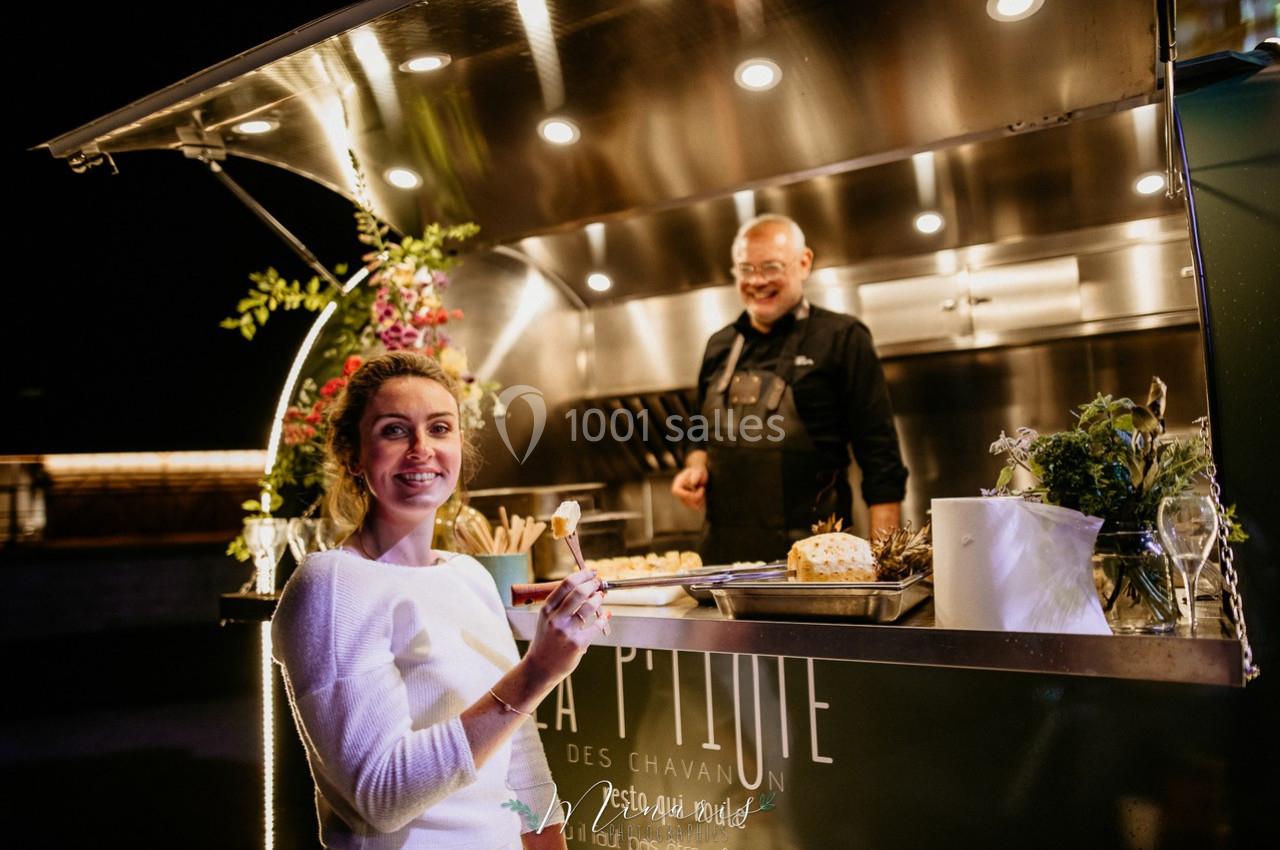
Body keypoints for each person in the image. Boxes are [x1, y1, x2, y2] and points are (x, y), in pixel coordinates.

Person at [272, 350, 610, 850]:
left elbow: (519, 761)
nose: (420, 448)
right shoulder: (331, 586)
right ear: (352, 455)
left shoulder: (468, 575)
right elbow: (381, 796)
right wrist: (537, 672)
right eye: (393, 430)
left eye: (439, 428)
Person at [671, 214, 909, 564]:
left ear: (804, 263)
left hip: (816, 560)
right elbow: (697, 432)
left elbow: (881, 458)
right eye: (746, 269)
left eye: (771, 267)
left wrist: (883, 565)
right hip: (722, 562)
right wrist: (695, 467)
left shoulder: (842, 338)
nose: (757, 281)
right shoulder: (719, 345)